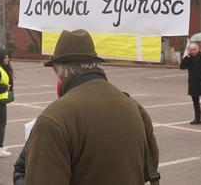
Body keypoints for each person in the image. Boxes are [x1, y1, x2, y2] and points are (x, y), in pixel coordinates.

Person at [24, 29, 160, 185]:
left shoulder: (54, 119)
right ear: (95, 65)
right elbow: (149, 167)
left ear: (57, 70)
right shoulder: (134, 108)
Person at [180, 42, 201, 127]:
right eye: (191, 50)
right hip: (192, 83)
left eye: (194, 49)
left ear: (198, 49)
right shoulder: (189, 58)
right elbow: (182, 67)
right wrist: (186, 57)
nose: (192, 51)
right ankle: (197, 119)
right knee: (195, 103)